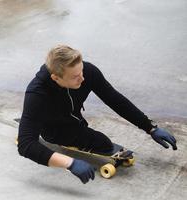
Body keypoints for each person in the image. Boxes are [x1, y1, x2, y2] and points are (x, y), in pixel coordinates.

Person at [17, 45, 177, 184]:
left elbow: (115, 99)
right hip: (53, 129)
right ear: (55, 77)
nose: (82, 78)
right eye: (75, 76)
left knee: (95, 137)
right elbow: (25, 145)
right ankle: (37, 126)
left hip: (75, 119)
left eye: (81, 71)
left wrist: (150, 127)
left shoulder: (86, 71)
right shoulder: (37, 93)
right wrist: (69, 163)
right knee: (101, 142)